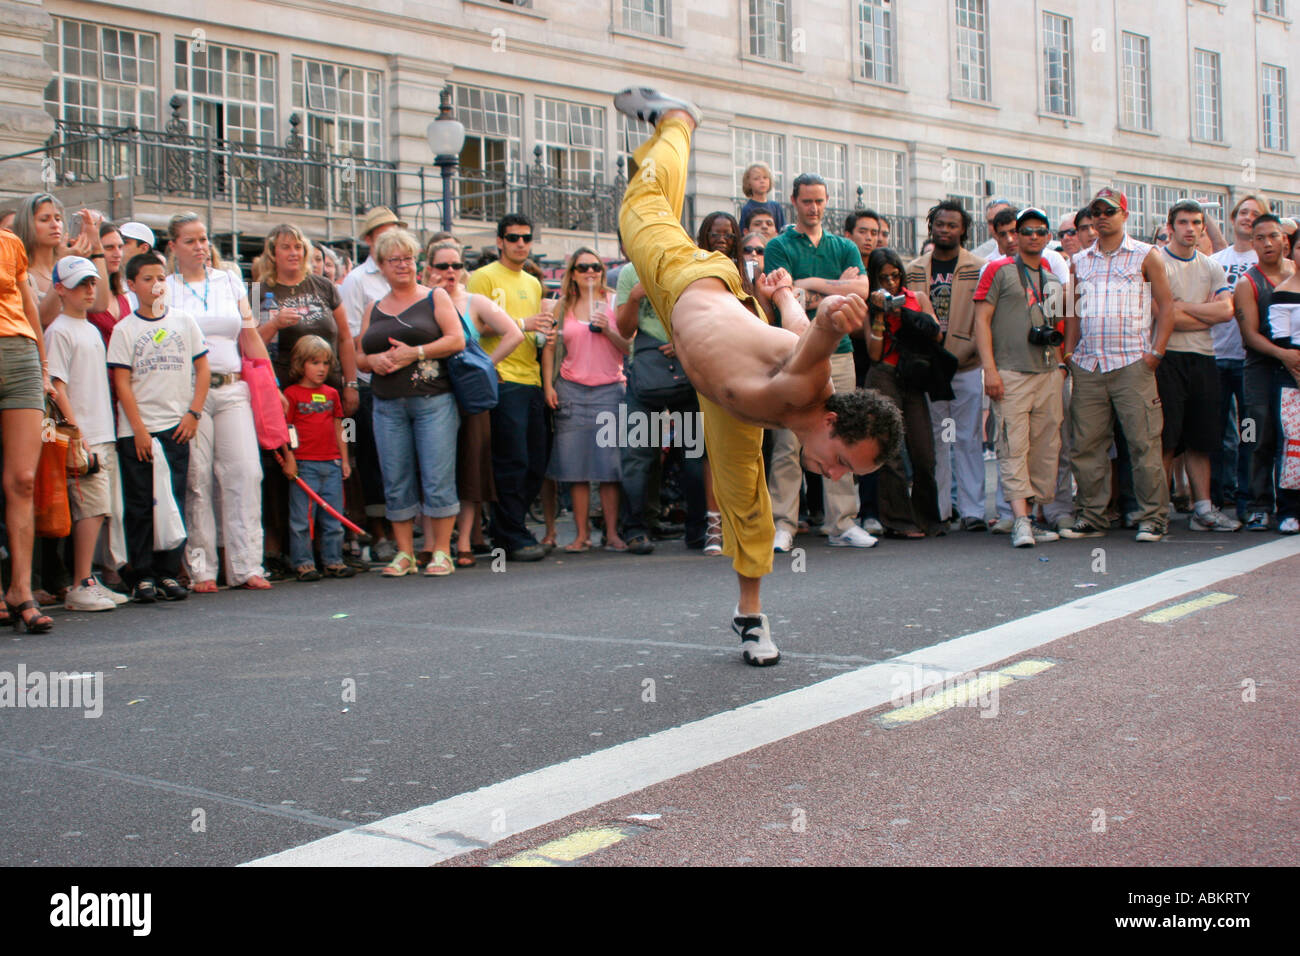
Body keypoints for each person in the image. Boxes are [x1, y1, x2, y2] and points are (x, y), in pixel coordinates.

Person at [615, 87, 902, 666]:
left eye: (849, 471)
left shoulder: (802, 391)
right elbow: (815, 341)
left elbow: (797, 327)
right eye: (843, 459)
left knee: (748, 501)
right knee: (639, 210)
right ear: (829, 420)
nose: (836, 472)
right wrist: (831, 317)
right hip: (686, 281)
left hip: (722, 387)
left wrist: (786, 294)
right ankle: (679, 121)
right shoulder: (805, 385)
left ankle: (751, 616)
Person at [764, 173, 877, 551]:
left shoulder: (844, 246)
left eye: (820, 201)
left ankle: (842, 522)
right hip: (792, 352)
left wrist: (809, 282)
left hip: (840, 353)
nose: (814, 208)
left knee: (843, 433)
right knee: (787, 442)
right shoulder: (778, 245)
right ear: (794, 201)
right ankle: (783, 523)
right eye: (807, 201)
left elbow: (861, 290)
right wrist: (832, 287)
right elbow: (788, 294)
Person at [165, 213, 273, 591]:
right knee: (198, 480)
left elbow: (250, 335)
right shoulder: (167, 287)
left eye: (204, 239)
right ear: (173, 246)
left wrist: (270, 384)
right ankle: (202, 569)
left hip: (233, 386)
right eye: (191, 240)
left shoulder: (229, 280)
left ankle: (247, 565)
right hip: (190, 392)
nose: (200, 247)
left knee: (245, 471)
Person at [1061, 187, 1174, 542]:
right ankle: (1093, 516)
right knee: (1087, 446)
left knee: (1143, 443)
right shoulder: (1080, 260)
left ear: (1125, 214)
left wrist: (1155, 353)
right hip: (1089, 364)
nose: (1101, 217)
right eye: (1096, 212)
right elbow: (1072, 309)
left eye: (1109, 211)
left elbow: (1168, 307)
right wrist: (1069, 353)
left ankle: (1153, 517)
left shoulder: (1146, 255)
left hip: (1131, 362)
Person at [355, 229, 465, 577]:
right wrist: (371, 363)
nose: (402, 265)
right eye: (394, 260)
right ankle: (404, 553)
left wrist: (414, 352)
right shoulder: (373, 307)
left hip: (433, 400)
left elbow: (456, 340)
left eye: (408, 258)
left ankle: (442, 551)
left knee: (437, 475)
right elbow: (359, 354)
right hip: (386, 402)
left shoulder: (435, 297)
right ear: (381, 266)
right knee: (396, 477)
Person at [108, 253, 210, 603]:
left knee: (173, 500)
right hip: (138, 431)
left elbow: (203, 369)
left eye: (161, 278)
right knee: (140, 503)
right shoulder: (125, 329)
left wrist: (193, 413)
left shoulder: (184, 321)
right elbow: (122, 383)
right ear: (132, 285)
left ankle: (168, 571)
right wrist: (137, 429)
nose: (156, 286)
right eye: (147, 279)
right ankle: (141, 574)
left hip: (176, 426)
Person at [424, 238, 523, 567]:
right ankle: (431, 542)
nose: (450, 272)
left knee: (470, 468)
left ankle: (464, 541)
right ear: (429, 268)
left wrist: (485, 365)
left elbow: (514, 333)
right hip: (430, 391)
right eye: (442, 265)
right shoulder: (419, 302)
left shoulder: (474, 301)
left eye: (456, 265)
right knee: (434, 469)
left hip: (468, 395)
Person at [973, 209, 1066, 548]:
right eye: (1026, 231)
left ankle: (1035, 514)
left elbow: (1056, 327)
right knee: (1012, 444)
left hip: (1047, 372)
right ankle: (1021, 520)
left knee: (1046, 447)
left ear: (1048, 237)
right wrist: (990, 370)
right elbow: (981, 321)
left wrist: (1061, 366)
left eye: (1040, 232)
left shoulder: (1053, 279)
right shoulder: (998, 270)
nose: (1032, 237)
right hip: (1010, 372)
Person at [467, 213, 555, 562]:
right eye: (513, 237)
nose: (521, 243)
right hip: (502, 378)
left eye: (526, 238)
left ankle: (511, 526)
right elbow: (474, 327)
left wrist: (544, 333)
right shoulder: (483, 277)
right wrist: (522, 323)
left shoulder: (534, 284)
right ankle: (508, 533)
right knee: (512, 461)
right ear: (500, 241)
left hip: (531, 379)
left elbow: (537, 335)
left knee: (536, 461)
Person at [1152, 200, 1240, 532]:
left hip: (1205, 358)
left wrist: (1182, 307)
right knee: (1167, 440)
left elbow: (1226, 313)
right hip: (1167, 357)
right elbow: (1162, 315)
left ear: (1204, 227)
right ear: (1170, 226)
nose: (1190, 228)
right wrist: (1200, 312)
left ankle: (1203, 508)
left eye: (1196, 222)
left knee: (1201, 439)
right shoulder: (1157, 263)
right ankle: (1157, 512)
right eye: (1184, 222)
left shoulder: (1211, 266)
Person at [46, 256, 125, 611]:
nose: (89, 290)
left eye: (92, 283)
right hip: (83, 434)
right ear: (60, 289)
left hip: (101, 429)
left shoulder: (91, 328)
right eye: (81, 284)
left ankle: (88, 577)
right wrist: (75, 430)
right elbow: (57, 384)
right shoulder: (59, 330)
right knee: (89, 509)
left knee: (100, 509)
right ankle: (80, 582)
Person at [542, 248, 632, 552]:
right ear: (573, 273)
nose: (590, 272)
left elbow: (628, 346)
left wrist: (609, 330)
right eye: (583, 268)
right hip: (571, 389)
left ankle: (611, 533)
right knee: (575, 468)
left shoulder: (613, 301)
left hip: (610, 389)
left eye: (596, 267)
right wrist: (548, 386)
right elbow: (550, 347)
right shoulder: (562, 305)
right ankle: (581, 535)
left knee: (610, 468)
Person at [906, 200, 988, 529]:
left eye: (952, 225)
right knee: (938, 440)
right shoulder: (914, 269)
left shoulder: (979, 267)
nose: (945, 229)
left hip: (966, 365)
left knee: (968, 439)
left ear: (963, 229)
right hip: (929, 370)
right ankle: (940, 510)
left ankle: (973, 511)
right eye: (940, 224)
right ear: (931, 226)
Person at [339, 206, 407, 564]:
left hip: (408, 381)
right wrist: (352, 382)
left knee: (399, 460)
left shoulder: (406, 272)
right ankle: (379, 534)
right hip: (369, 381)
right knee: (371, 460)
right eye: (382, 231)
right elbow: (349, 337)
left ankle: (406, 532)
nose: (389, 236)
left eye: (395, 229)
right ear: (368, 240)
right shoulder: (357, 281)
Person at [0, 225, 56, 632]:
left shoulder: (9, 241)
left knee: (22, 479)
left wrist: (42, 365)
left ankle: (21, 589)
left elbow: (28, 304)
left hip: (19, 354)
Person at [864, 248, 941, 538]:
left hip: (914, 375)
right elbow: (873, 353)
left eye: (895, 275)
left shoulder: (917, 298)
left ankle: (927, 517)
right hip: (884, 374)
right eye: (883, 278)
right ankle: (898, 520)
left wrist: (906, 314)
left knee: (924, 451)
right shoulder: (870, 304)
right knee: (891, 451)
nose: (891, 283)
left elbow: (936, 333)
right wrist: (880, 316)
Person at [1236, 214, 1300, 533]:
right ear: (1252, 244)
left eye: (1273, 236)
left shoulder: (1295, 272)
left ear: (1284, 240)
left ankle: (1288, 505)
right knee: (1255, 436)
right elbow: (1249, 335)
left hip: (1290, 370)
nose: (1267, 243)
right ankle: (1256, 504)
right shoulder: (1247, 281)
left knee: (1291, 439)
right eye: (1259, 238)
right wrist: (1284, 355)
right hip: (1259, 370)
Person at [1210, 195, 1269, 517]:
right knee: (1218, 433)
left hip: (1250, 362)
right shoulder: (1216, 260)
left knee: (1250, 432)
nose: (1248, 218)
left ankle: (1249, 499)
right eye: (1243, 212)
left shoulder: (1266, 262)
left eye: (1255, 214)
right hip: (1217, 357)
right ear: (1233, 219)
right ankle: (1219, 497)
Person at [281, 335, 355, 580]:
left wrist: (345, 459)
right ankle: (303, 562)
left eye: (325, 363)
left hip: (331, 463)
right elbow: (286, 428)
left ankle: (333, 560)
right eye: (314, 362)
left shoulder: (333, 394)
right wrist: (289, 457)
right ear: (301, 364)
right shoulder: (291, 394)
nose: (321, 368)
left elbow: (341, 427)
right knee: (302, 517)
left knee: (334, 515)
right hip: (304, 464)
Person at [87, 221, 129, 346]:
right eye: (109, 248)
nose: (117, 254)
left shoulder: (122, 295)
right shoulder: (84, 293)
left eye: (120, 247)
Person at [738, 162, 785, 234]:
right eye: (756, 178)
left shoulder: (776, 207)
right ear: (749, 183)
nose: (762, 181)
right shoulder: (747, 209)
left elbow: (782, 232)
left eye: (765, 178)